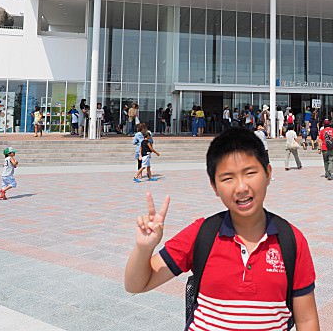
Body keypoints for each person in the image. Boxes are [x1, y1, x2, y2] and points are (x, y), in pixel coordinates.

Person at [124, 128, 319, 330]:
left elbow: (306, 320)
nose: (241, 187)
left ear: (268, 174)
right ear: (214, 186)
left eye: (250, 173)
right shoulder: (202, 233)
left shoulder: (291, 240)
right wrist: (143, 248)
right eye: (227, 178)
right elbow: (136, 284)